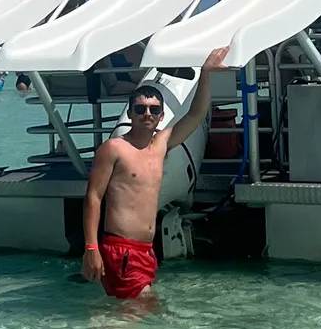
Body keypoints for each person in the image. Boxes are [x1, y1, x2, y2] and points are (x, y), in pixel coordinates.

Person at [81, 49, 229, 300]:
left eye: (152, 109)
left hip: (145, 250)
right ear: (130, 114)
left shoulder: (160, 146)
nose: (146, 114)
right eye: (140, 109)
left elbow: (195, 114)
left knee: (131, 317)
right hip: (121, 249)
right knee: (142, 310)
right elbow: (93, 197)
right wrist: (91, 248)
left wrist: (205, 73)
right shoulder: (114, 148)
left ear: (161, 116)